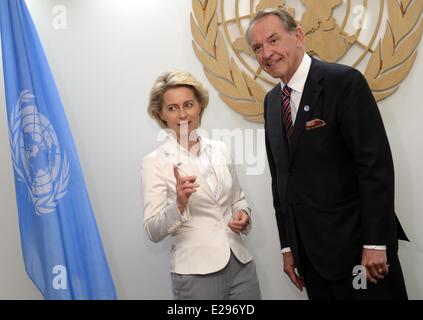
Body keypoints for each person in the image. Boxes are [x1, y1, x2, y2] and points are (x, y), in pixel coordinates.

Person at [246, 8, 408, 300]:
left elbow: (374, 167)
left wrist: (376, 242)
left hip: (361, 253)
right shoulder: (272, 102)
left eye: (273, 40)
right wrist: (288, 247)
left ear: (297, 36)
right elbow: (281, 181)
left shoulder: (344, 82)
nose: (267, 53)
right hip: (311, 260)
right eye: (258, 47)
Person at [141, 70, 261, 300]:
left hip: (241, 266)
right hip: (196, 274)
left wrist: (243, 214)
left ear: (200, 107)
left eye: (188, 104)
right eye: (172, 108)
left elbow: (238, 198)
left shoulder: (220, 149)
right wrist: (179, 204)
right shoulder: (154, 162)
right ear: (161, 114)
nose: (183, 114)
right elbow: (152, 231)